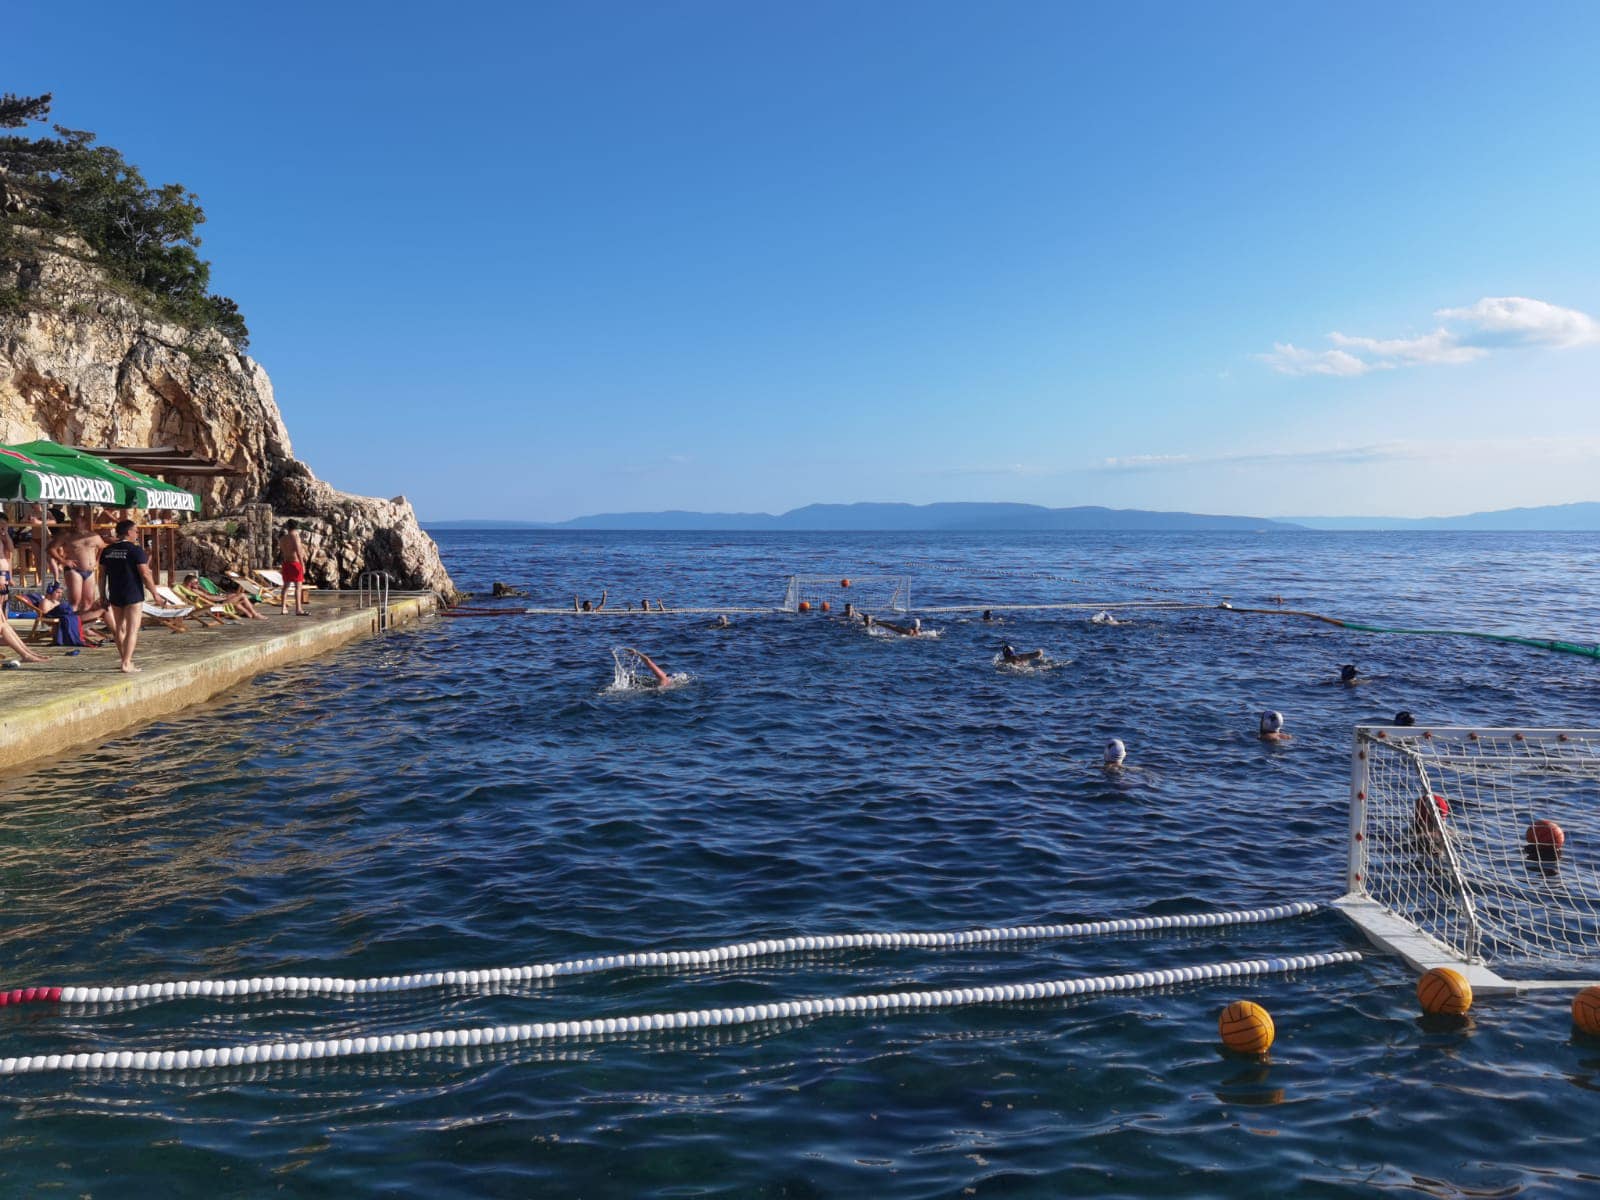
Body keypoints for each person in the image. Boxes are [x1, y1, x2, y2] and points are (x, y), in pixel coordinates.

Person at [99, 518, 157, 673]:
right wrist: (155, 593)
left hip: (115, 592)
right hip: (133, 592)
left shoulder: (107, 550)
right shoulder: (135, 550)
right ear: (128, 532)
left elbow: (102, 575)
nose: (137, 534)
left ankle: (125, 659)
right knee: (132, 630)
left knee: (120, 628)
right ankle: (126, 663)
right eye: (136, 531)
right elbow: (145, 573)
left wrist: (102, 594)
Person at [54, 511, 106, 612]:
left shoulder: (93, 536)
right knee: (75, 601)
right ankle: (72, 621)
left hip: (90, 571)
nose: (74, 525)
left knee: (88, 602)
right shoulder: (67, 536)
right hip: (74, 570)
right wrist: (63, 561)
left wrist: (97, 560)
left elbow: (102, 547)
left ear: (84, 522)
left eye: (77, 522)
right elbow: (51, 549)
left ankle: (83, 622)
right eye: (73, 522)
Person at [185, 574, 265, 620]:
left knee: (235, 597)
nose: (198, 584)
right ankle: (255, 614)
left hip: (217, 601)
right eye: (196, 583)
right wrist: (224, 597)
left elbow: (208, 594)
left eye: (198, 582)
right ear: (190, 583)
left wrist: (201, 587)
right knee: (242, 595)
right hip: (216, 604)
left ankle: (249, 614)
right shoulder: (194, 591)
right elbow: (209, 598)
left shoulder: (195, 589)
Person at [278, 520, 309, 615]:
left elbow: (283, 552)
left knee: (286, 586)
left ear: (288, 527)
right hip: (295, 563)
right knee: (298, 587)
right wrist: (303, 565)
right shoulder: (295, 536)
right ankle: (298, 609)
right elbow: (298, 552)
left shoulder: (283, 539)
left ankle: (283, 608)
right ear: (296, 527)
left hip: (286, 563)